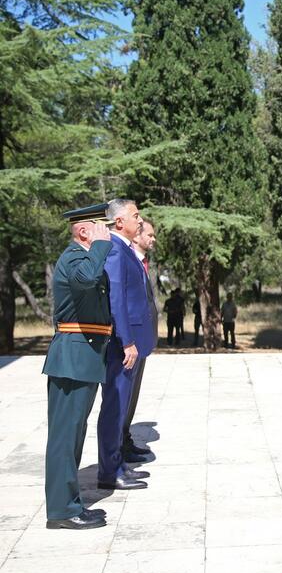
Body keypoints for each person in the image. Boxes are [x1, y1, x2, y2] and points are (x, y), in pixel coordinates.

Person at [42, 204, 114, 529]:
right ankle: (61, 511)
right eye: (101, 226)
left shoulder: (86, 258)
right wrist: (101, 246)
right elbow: (86, 281)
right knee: (64, 436)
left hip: (84, 356)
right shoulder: (75, 257)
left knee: (74, 435)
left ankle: (70, 503)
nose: (107, 231)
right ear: (84, 231)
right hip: (71, 357)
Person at [96, 198, 156, 491]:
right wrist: (127, 341)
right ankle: (109, 472)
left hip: (129, 342)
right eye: (135, 215)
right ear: (119, 222)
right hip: (122, 346)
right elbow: (116, 300)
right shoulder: (117, 251)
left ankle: (117, 464)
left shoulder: (125, 250)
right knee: (114, 408)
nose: (140, 220)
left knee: (120, 409)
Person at [121, 219, 158, 464]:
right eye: (150, 235)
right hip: (129, 341)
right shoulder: (127, 259)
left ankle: (125, 441)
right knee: (122, 398)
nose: (153, 239)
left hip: (142, 341)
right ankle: (117, 450)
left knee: (132, 397)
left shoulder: (144, 262)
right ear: (137, 237)